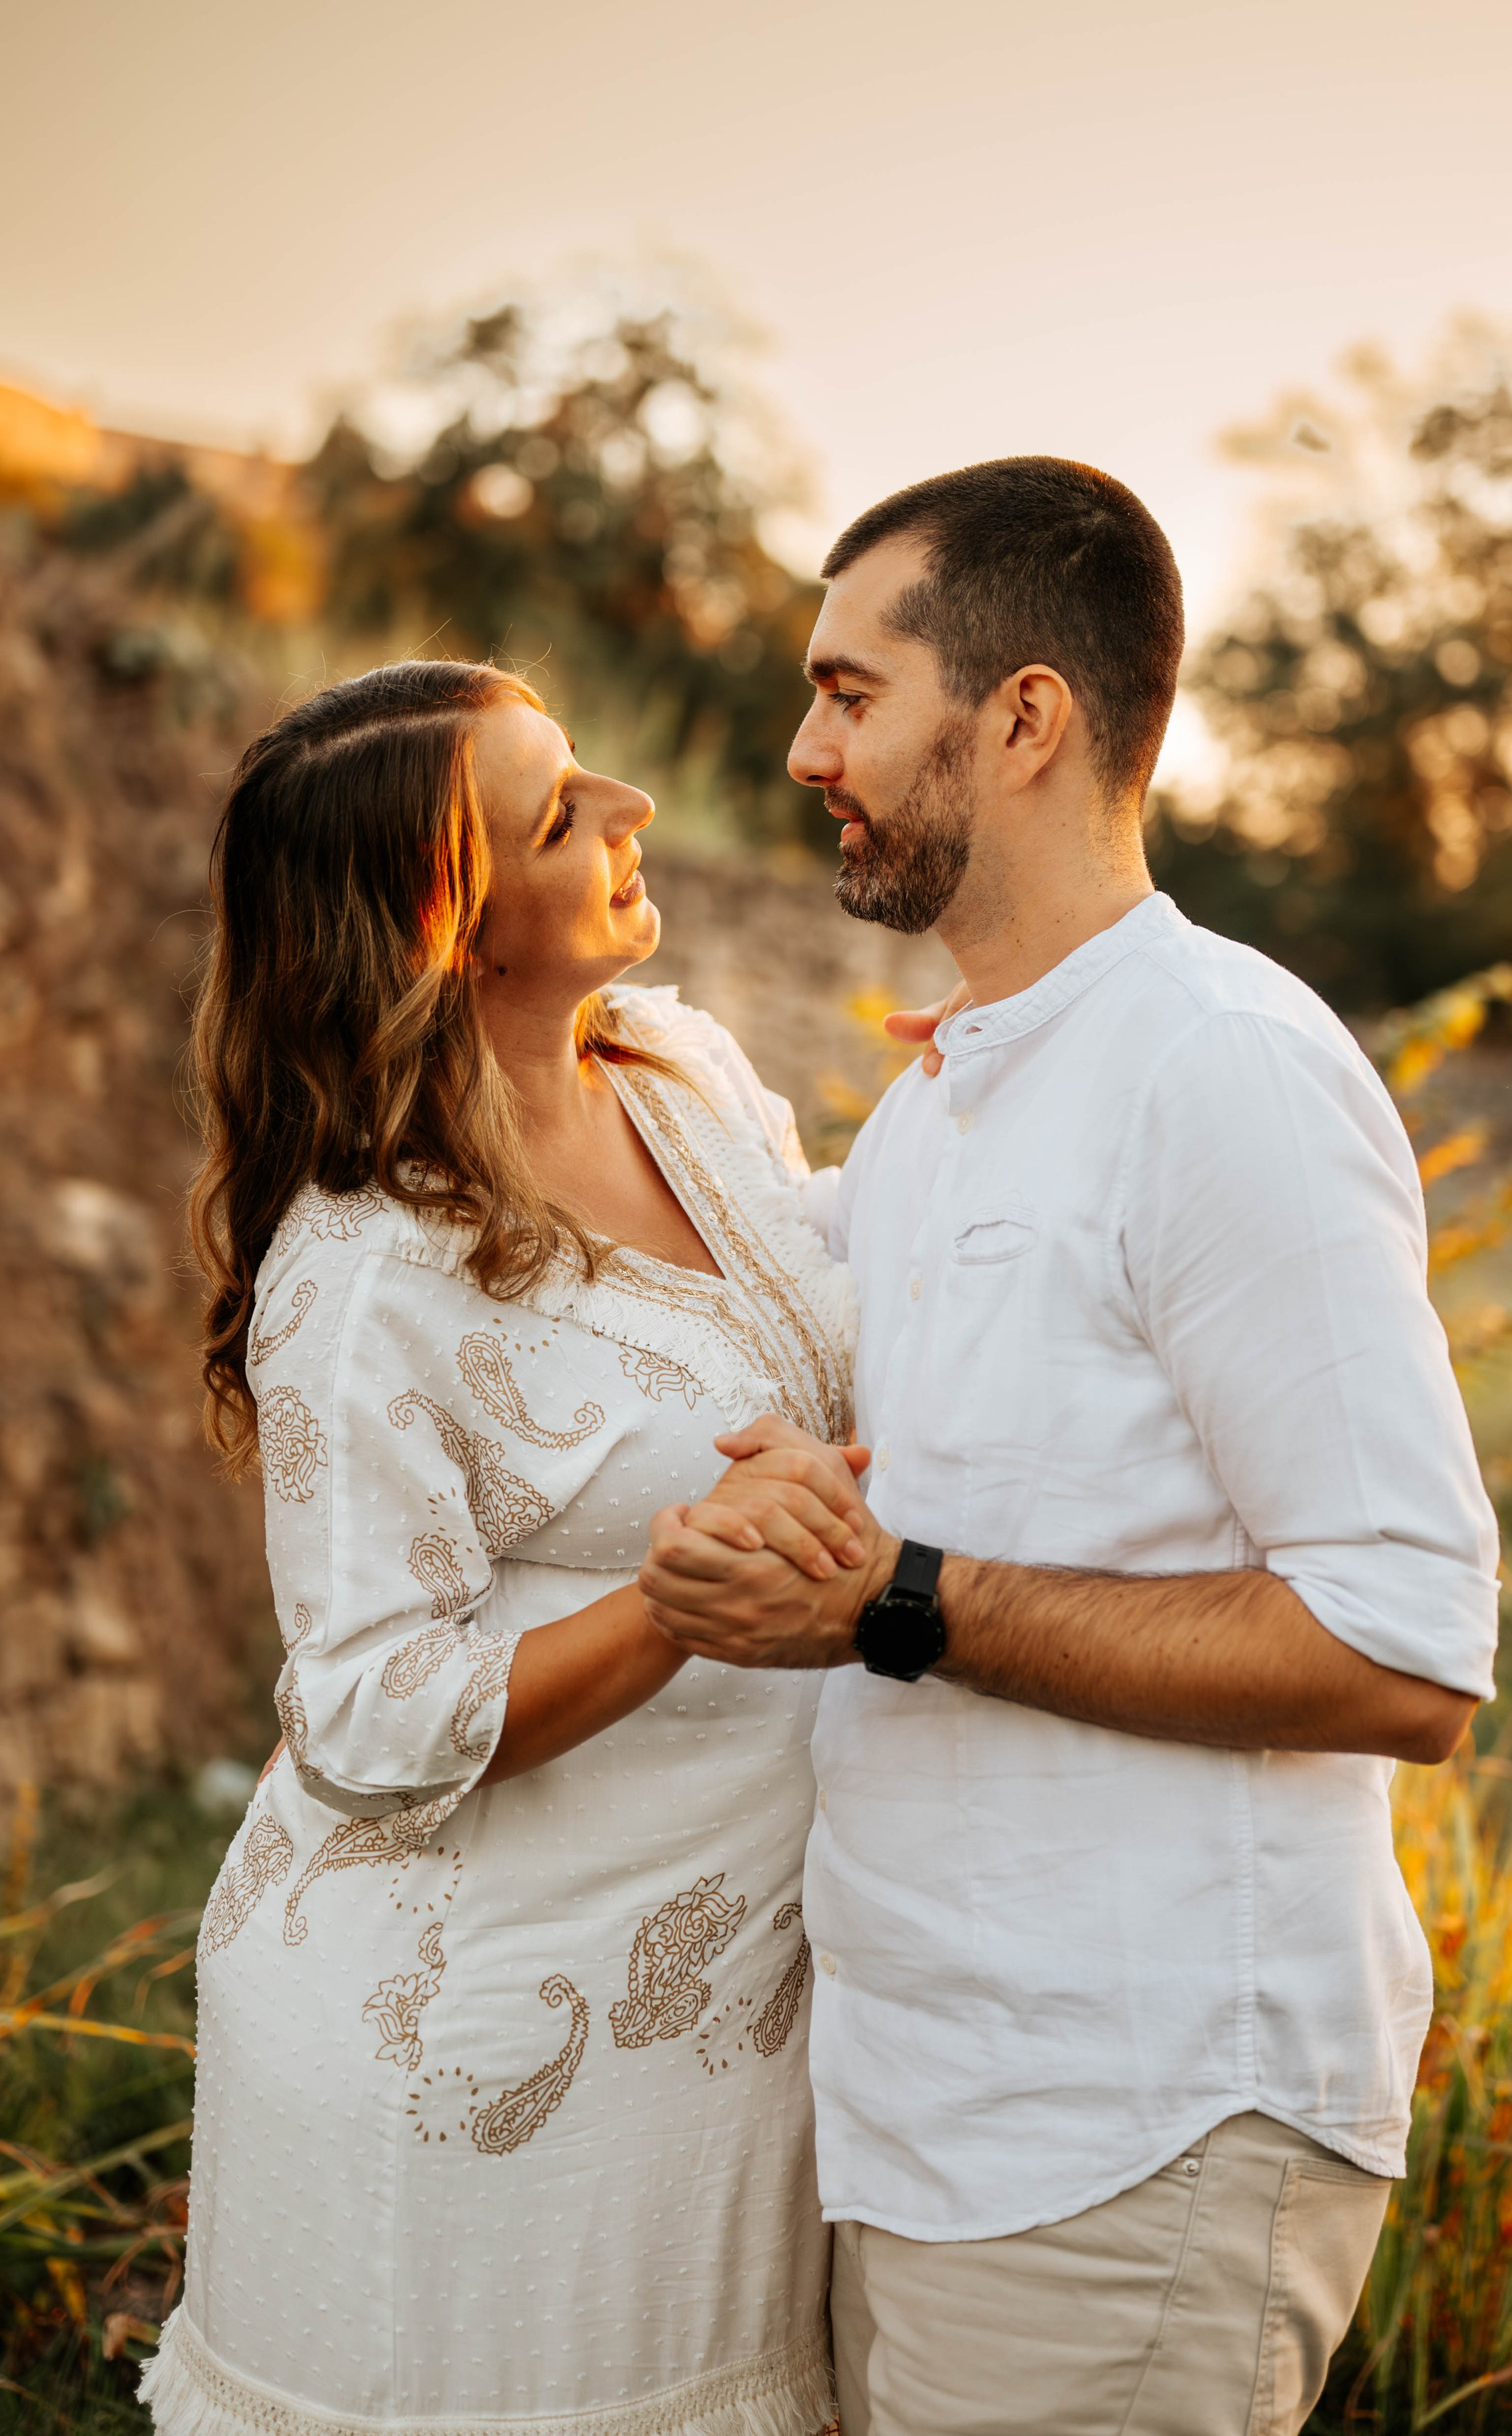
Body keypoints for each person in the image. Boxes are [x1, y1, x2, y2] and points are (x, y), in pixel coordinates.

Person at [639, 459, 1502, 2436]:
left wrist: (900, 1604)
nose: (801, 748)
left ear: (1023, 716)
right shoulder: (946, 1107)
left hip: (1138, 2128)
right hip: (922, 2119)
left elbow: (1406, 1647)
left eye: (852, 692)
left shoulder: (1224, 1068)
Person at [143, 660, 890, 2436]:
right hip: (474, 2044)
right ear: (454, 932)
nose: (633, 807)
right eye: (561, 811)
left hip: (721, 2007)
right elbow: (368, 1714)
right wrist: (673, 1599)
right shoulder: (364, 1273)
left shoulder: (682, 1071)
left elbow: (830, 1306)